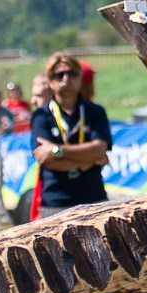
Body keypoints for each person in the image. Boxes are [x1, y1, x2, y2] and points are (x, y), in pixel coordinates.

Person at [31, 53, 112, 216]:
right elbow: (45, 159)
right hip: (55, 202)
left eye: (72, 74)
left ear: (80, 78)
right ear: (50, 81)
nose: (66, 79)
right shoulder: (41, 115)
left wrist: (57, 151)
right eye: (59, 75)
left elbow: (100, 150)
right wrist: (87, 160)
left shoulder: (95, 112)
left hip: (93, 198)